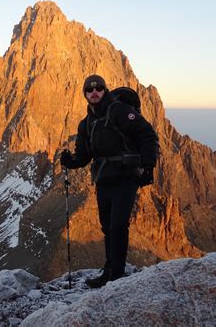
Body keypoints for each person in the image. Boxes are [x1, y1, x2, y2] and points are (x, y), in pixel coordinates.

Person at [60, 74, 159, 288]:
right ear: (85, 94)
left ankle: (116, 274)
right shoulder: (86, 123)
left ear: (105, 91)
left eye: (98, 88)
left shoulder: (120, 111)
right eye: (90, 89)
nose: (94, 92)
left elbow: (147, 135)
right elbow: (84, 155)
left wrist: (148, 167)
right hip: (104, 178)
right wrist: (71, 162)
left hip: (126, 176)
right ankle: (109, 271)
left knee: (118, 225)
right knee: (107, 226)